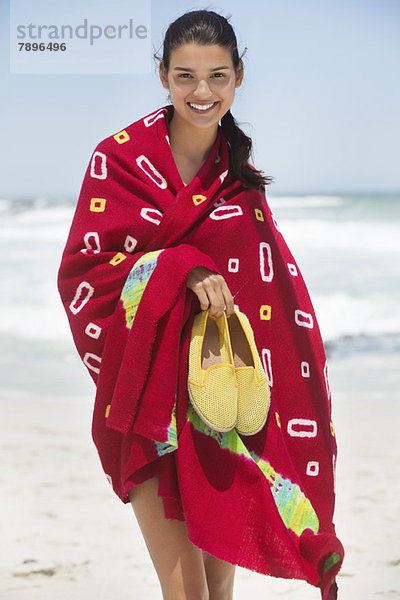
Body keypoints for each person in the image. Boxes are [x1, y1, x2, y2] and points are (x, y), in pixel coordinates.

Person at [58, 9, 344, 600]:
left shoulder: (240, 183)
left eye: (217, 75)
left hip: (221, 406)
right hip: (152, 402)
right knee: (185, 591)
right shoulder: (118, 161)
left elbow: (272, 305)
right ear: (162, 76)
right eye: (185, 75)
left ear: (239, 77)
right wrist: (180, 268)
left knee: (218, 592)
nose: (202, 92)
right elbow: (84, 273)